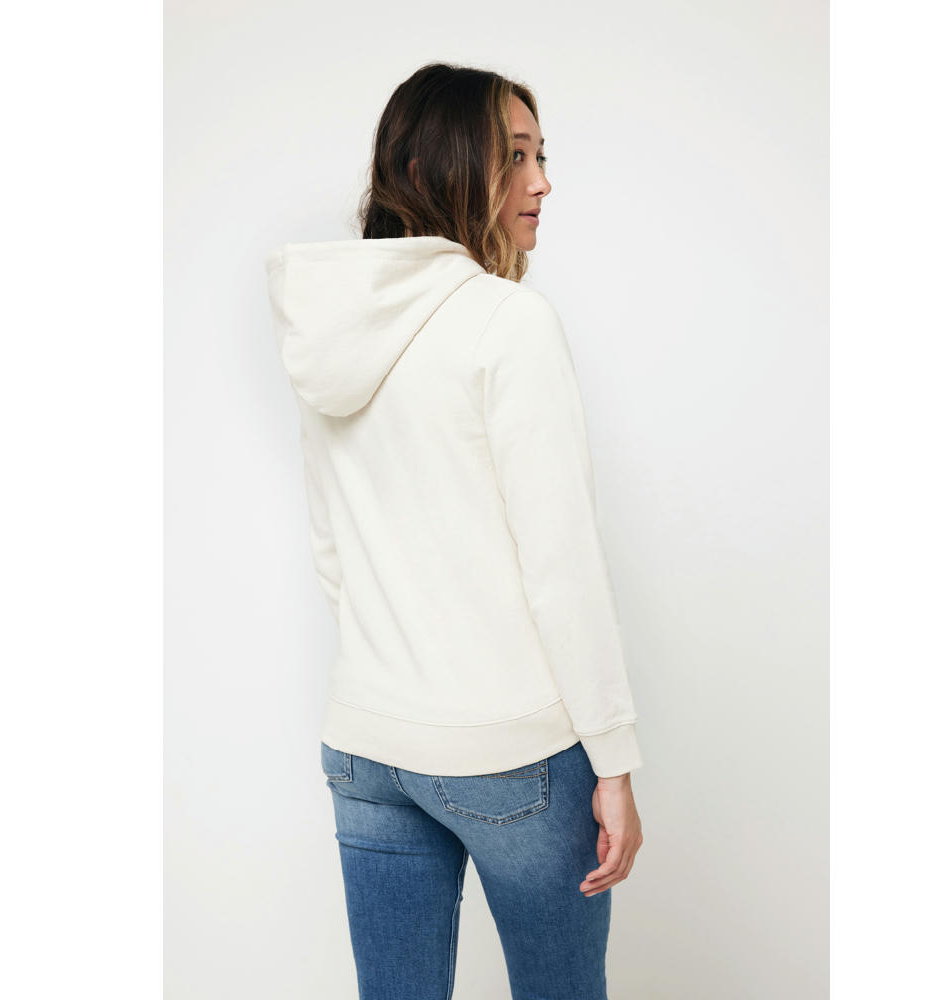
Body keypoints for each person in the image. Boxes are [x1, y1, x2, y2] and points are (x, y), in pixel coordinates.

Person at [265, 62, 645, 1000]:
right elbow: (560, 564)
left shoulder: (325, 330)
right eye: (514, 156)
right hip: (510, 757)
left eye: (542, 156)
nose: (541, 182)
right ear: (436, 166)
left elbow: (332, 549)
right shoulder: (509, 321)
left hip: (365, 745)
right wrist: (615, 761)